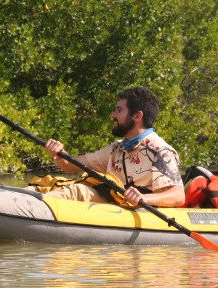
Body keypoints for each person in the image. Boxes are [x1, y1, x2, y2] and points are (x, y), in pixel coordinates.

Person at [43, 87, 185, 208]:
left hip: (139, 212)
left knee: (79, 191)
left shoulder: (160, 150)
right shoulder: (116, 149)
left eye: (119, 110)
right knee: (53, 184)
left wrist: (143, 198)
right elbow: (70, 165)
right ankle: (32, 201)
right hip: (115, 203)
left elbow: (178, 196)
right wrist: (59, 153)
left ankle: (35, 206)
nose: (113, 115)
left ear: (136, 116)